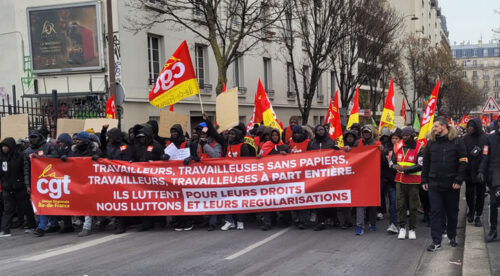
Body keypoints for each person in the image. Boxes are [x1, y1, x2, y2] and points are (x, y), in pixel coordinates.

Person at [422, 117, 467, 251]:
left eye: (436, 126)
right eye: (433, 126)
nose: (433, 129)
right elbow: (426, 163)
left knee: (452, 212)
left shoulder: (457, 142)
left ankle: (452, 235)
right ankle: (436, 241)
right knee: (435, 212)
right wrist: (424, 180)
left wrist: (458, 180)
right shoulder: (430, 143)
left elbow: (463, 162)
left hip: (451, 185)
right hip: (434, 184)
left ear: (443, 127)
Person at [0, 137, 36, 237]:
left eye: (6, 146)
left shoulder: (20, 156)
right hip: (7, 188)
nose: (4, 148)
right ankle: (5, 230)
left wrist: (27, 184)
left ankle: (32, 226)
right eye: (2, 146)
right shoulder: (2, 158)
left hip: (20, 187)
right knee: (8, 209)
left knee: (26, 207)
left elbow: (25, 171)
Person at [391, 127, 423, 240]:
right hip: (399, 180)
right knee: (400, 205)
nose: (404, 138)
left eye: (407, 136)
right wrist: (393, 166)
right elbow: (392, 161)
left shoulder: (419, 147)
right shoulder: (397, 146)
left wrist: (404, 170)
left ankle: (412, 229)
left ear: (412, 135)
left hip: (413, 181)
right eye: (403, 136)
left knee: (413, 206)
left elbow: (420, 165)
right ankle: (402, 228)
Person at [70, 131, 103, 237]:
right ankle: (98, 220)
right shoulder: (74, 150)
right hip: (79, 180)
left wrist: (96, 158)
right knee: (85, 203)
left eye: (79, 139)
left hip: (93, 180)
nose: (77, 141)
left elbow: (103, 161)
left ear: (85, 140)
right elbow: (71, 161)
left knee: (90, 202)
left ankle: (87, 226)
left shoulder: (95, 150)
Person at [307, 124, 339, 231]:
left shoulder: (331, 142)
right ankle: (321, 221)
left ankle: (334, 218)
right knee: (319, 198)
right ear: (315, 132)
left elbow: (337, 155)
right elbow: (306, 158)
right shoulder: (312, 143)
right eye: (318, 130)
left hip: (329, 174)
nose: (320, 131)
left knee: (330, 197)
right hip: (316, 175)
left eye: (322, 130)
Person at [104, 128, 134, 234]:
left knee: (121, 201)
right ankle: (117, 222)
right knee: (114, 201)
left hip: (122, 177)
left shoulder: (124, 146)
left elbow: (126, 160)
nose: (109, 139)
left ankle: (122, 225)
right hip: (112, 177)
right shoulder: (109, 146)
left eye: (110, 136)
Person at [259, 128, 290, 231]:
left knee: (283, 199)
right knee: (268, 200)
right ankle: (268, 222)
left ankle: (285, 220)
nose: (275, 137)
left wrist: (286, 156)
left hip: (282, 179)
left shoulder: (284, 146)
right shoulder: (266, 146)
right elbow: (260, 156)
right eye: (273, 135)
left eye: (276, 135)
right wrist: (259, 156)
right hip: (269, 178)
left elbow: (293, 161)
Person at [353, 125, 379, 235]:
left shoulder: (377, 144)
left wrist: (381, 152)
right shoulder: (358, 143)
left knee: (372, 202)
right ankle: (360, 226)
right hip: (360, 177)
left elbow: (382, 160)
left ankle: (372, 222)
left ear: (371, 134)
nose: (366, 134)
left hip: (373, 177)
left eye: (368, 132)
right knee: (360, 202)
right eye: (364, 132)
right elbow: (351, 155)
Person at [463, 118, 487, 227]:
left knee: (480, 195)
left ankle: (478, 215)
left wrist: (482, 170)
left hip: (481, 171)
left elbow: (486, 154)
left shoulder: (485, 138)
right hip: (469, 171)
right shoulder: (465, 138)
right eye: (468, 126)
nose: (469, 128)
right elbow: (462, 153)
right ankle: (471, 211)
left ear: (477, 126)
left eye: (471, 126)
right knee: (469, 193)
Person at [479, 116, 500, 242]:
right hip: (495, 175)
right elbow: (485, 156)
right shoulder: (490, 138)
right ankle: (493, 230)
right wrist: (481, 170)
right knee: (493, 203)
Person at [381, 128, 401, 234]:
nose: (394, 140)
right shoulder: (387, 149)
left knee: (402, 203)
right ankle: (393, 224)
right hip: (391, 181)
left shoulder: (405, 149)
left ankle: (403, 224)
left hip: (404, 181)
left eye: (396, 138)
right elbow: (383, 163)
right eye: (392, 138)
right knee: (393, 202)